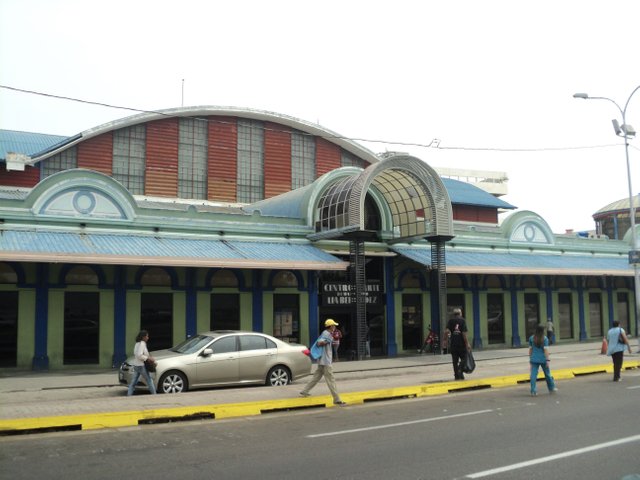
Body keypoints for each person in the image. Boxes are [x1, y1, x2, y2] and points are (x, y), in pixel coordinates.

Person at [300, 319, 346, 405]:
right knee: (331, 380)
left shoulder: (326, 333)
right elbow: (319, 343)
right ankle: (337, 399)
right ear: (331, 326)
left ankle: (305, 391)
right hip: (326, 362)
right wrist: (325, 342)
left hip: (322, 361)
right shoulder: (327, 334)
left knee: (316, 377)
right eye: (334, 325)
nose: (335, 327)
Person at [528, 324, 557, 396]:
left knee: (533, 375)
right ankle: (551, 388)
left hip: (534, 359)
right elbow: (546, 351)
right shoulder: (545, 339)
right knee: (547, 374)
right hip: (543, 359)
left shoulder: (532, 338)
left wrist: (530, 359)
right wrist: (547, 360)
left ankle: (533, 390)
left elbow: (530, 350)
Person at [127, 330, 157, 396]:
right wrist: (148, 358)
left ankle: (129, 395)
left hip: (136, 365)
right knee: (149, 380)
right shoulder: (142, 343)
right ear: (143, 337)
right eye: (147, 336)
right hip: (141, 365)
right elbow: (139, 355)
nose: (148, 337)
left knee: (133, 382)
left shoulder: (137, 343)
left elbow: (137, 354)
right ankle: (154, 395)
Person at [445, 308, 470, 380]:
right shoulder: (463, 320)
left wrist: (445, 340)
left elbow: (446, 331)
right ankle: (460, 369)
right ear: (460, 313)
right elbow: (464, 333)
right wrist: (467, 343)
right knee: (464, 358)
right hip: (461, 344)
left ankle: (457, 375)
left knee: (455, 361)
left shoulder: (450, 321)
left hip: (453, 344)